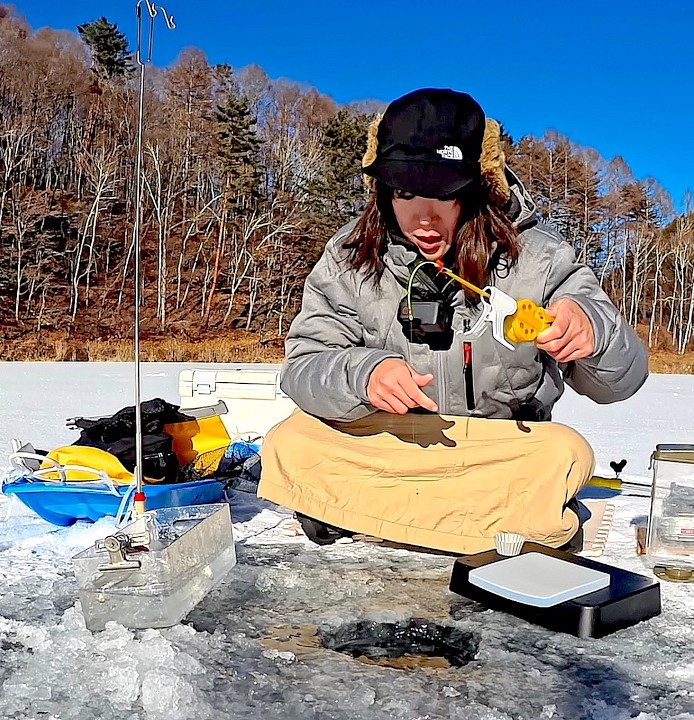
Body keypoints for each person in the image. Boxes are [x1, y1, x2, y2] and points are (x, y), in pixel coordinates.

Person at [257, 88, 649, 553]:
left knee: (565, 453)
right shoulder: (348, 258)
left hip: (496, 450)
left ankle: (367, 511)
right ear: (382, 190)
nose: (422, 218)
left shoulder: (539, 258)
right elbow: (303, 368)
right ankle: (502, 523)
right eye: (405, 193)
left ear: (475, 186)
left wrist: (593, 333)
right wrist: (364, 373)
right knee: (290, 440)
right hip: (390, 445)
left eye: (441, 192)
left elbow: (622, 381)